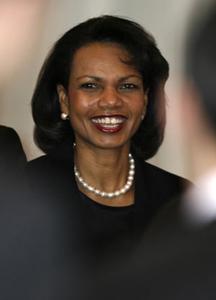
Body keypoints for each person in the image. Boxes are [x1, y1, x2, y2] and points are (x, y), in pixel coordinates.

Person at [24, 15, 189, 298]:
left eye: (127, 86)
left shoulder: (179, 200)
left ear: (146, 99)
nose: (111, 100)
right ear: (64, 98)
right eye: (91, 85)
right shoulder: (25, 193)